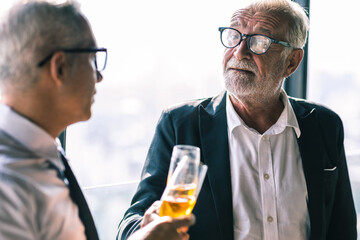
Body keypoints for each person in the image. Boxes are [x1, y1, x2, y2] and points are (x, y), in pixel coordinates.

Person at [117, 0, 357, 239]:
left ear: (292, 62)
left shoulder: (324, 125)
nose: (239, 52)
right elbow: (131, 224)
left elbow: (342, 227)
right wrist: (145, 229)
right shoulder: (180, 124)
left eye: (260, 42)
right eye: (234, 36)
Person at [0, 1, 194, 240]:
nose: (99, 77)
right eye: (92, 59)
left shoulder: (40, 155)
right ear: (60, 67)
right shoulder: (8, 183)